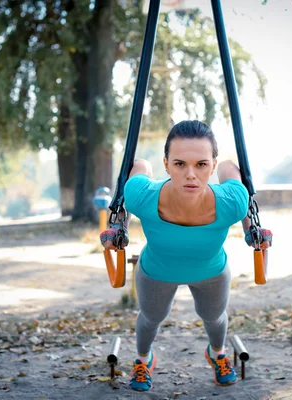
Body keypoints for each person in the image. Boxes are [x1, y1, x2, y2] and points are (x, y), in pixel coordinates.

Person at [100, 120, 272, 391]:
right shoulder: (142, 196)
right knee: (151, 318)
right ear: (166, 165)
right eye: (180, 164)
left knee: (214, 317)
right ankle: (144, 360)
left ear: (211, 166)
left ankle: (217, 354)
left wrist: (253, 231)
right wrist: (118, 226)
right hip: (157, 270)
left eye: (201, 164)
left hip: (211, 271)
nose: (191, 174)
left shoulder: (232, 202)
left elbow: (229, 166)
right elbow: (141, 164)